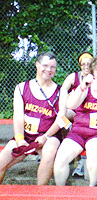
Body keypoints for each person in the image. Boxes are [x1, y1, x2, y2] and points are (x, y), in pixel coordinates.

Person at [54, 55, 97, 186]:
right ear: (92, 74)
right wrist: (82, 86)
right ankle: (60, 192)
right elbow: (71, 105)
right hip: (78, 133)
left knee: (93, 151)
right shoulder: (85, 89)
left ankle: (92, 189)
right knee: (61, 158)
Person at [0, 52, 64, 185]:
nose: (49, 70)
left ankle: (40, 193)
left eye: (52, 67)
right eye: (45, 65)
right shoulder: (22, 87)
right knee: (2, 160)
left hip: (48, 135)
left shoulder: (60, 91)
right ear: (37, 65)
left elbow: (61, 118)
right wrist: (20, 139)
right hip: (26, 135)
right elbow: (18, 116)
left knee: (49, 153)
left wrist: (46, 136)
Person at [60, 52, 94, 177]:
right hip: (75, 111)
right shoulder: (73, 77)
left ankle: (80, 160)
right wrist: (61, 112)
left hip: (89, 113)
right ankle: (63, 149)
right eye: (83, 64)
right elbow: (63, 91)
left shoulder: (96, 77)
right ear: (80, 65)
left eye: (89, 64)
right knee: (62, 118)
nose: (86, 66)